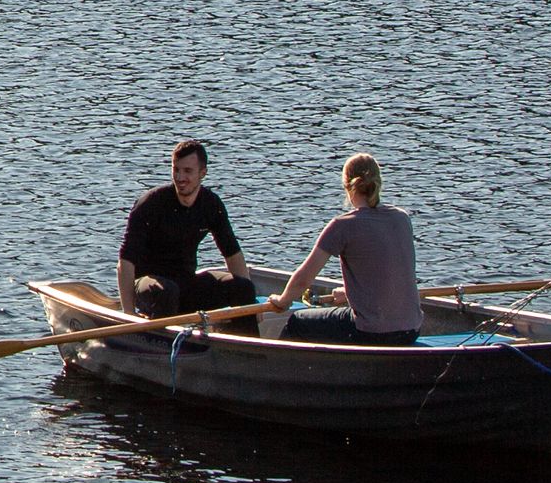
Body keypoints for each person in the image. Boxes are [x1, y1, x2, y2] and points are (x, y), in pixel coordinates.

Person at [266, 153, 424, 343]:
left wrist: (283, 301)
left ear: (347, 186)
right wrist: (351, 294)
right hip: (411, 330)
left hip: (370, 332)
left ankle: (282, 362)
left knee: (297, 322)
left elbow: (303, 279)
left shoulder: (342, 225)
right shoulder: (401, 218)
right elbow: (389, 276)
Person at [118, 139, 257, 318]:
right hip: (148, 285)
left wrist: (250, 306)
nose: (180, 177)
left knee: (244, 287)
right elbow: (126, 261)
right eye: (176, 170)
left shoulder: (211, 204)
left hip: (186, 282)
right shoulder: (151, 204)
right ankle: (163, 334)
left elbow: (232, 254)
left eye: (187, 171)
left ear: (203, 173)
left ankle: (241, 336)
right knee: (167, 291)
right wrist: (128, 313)